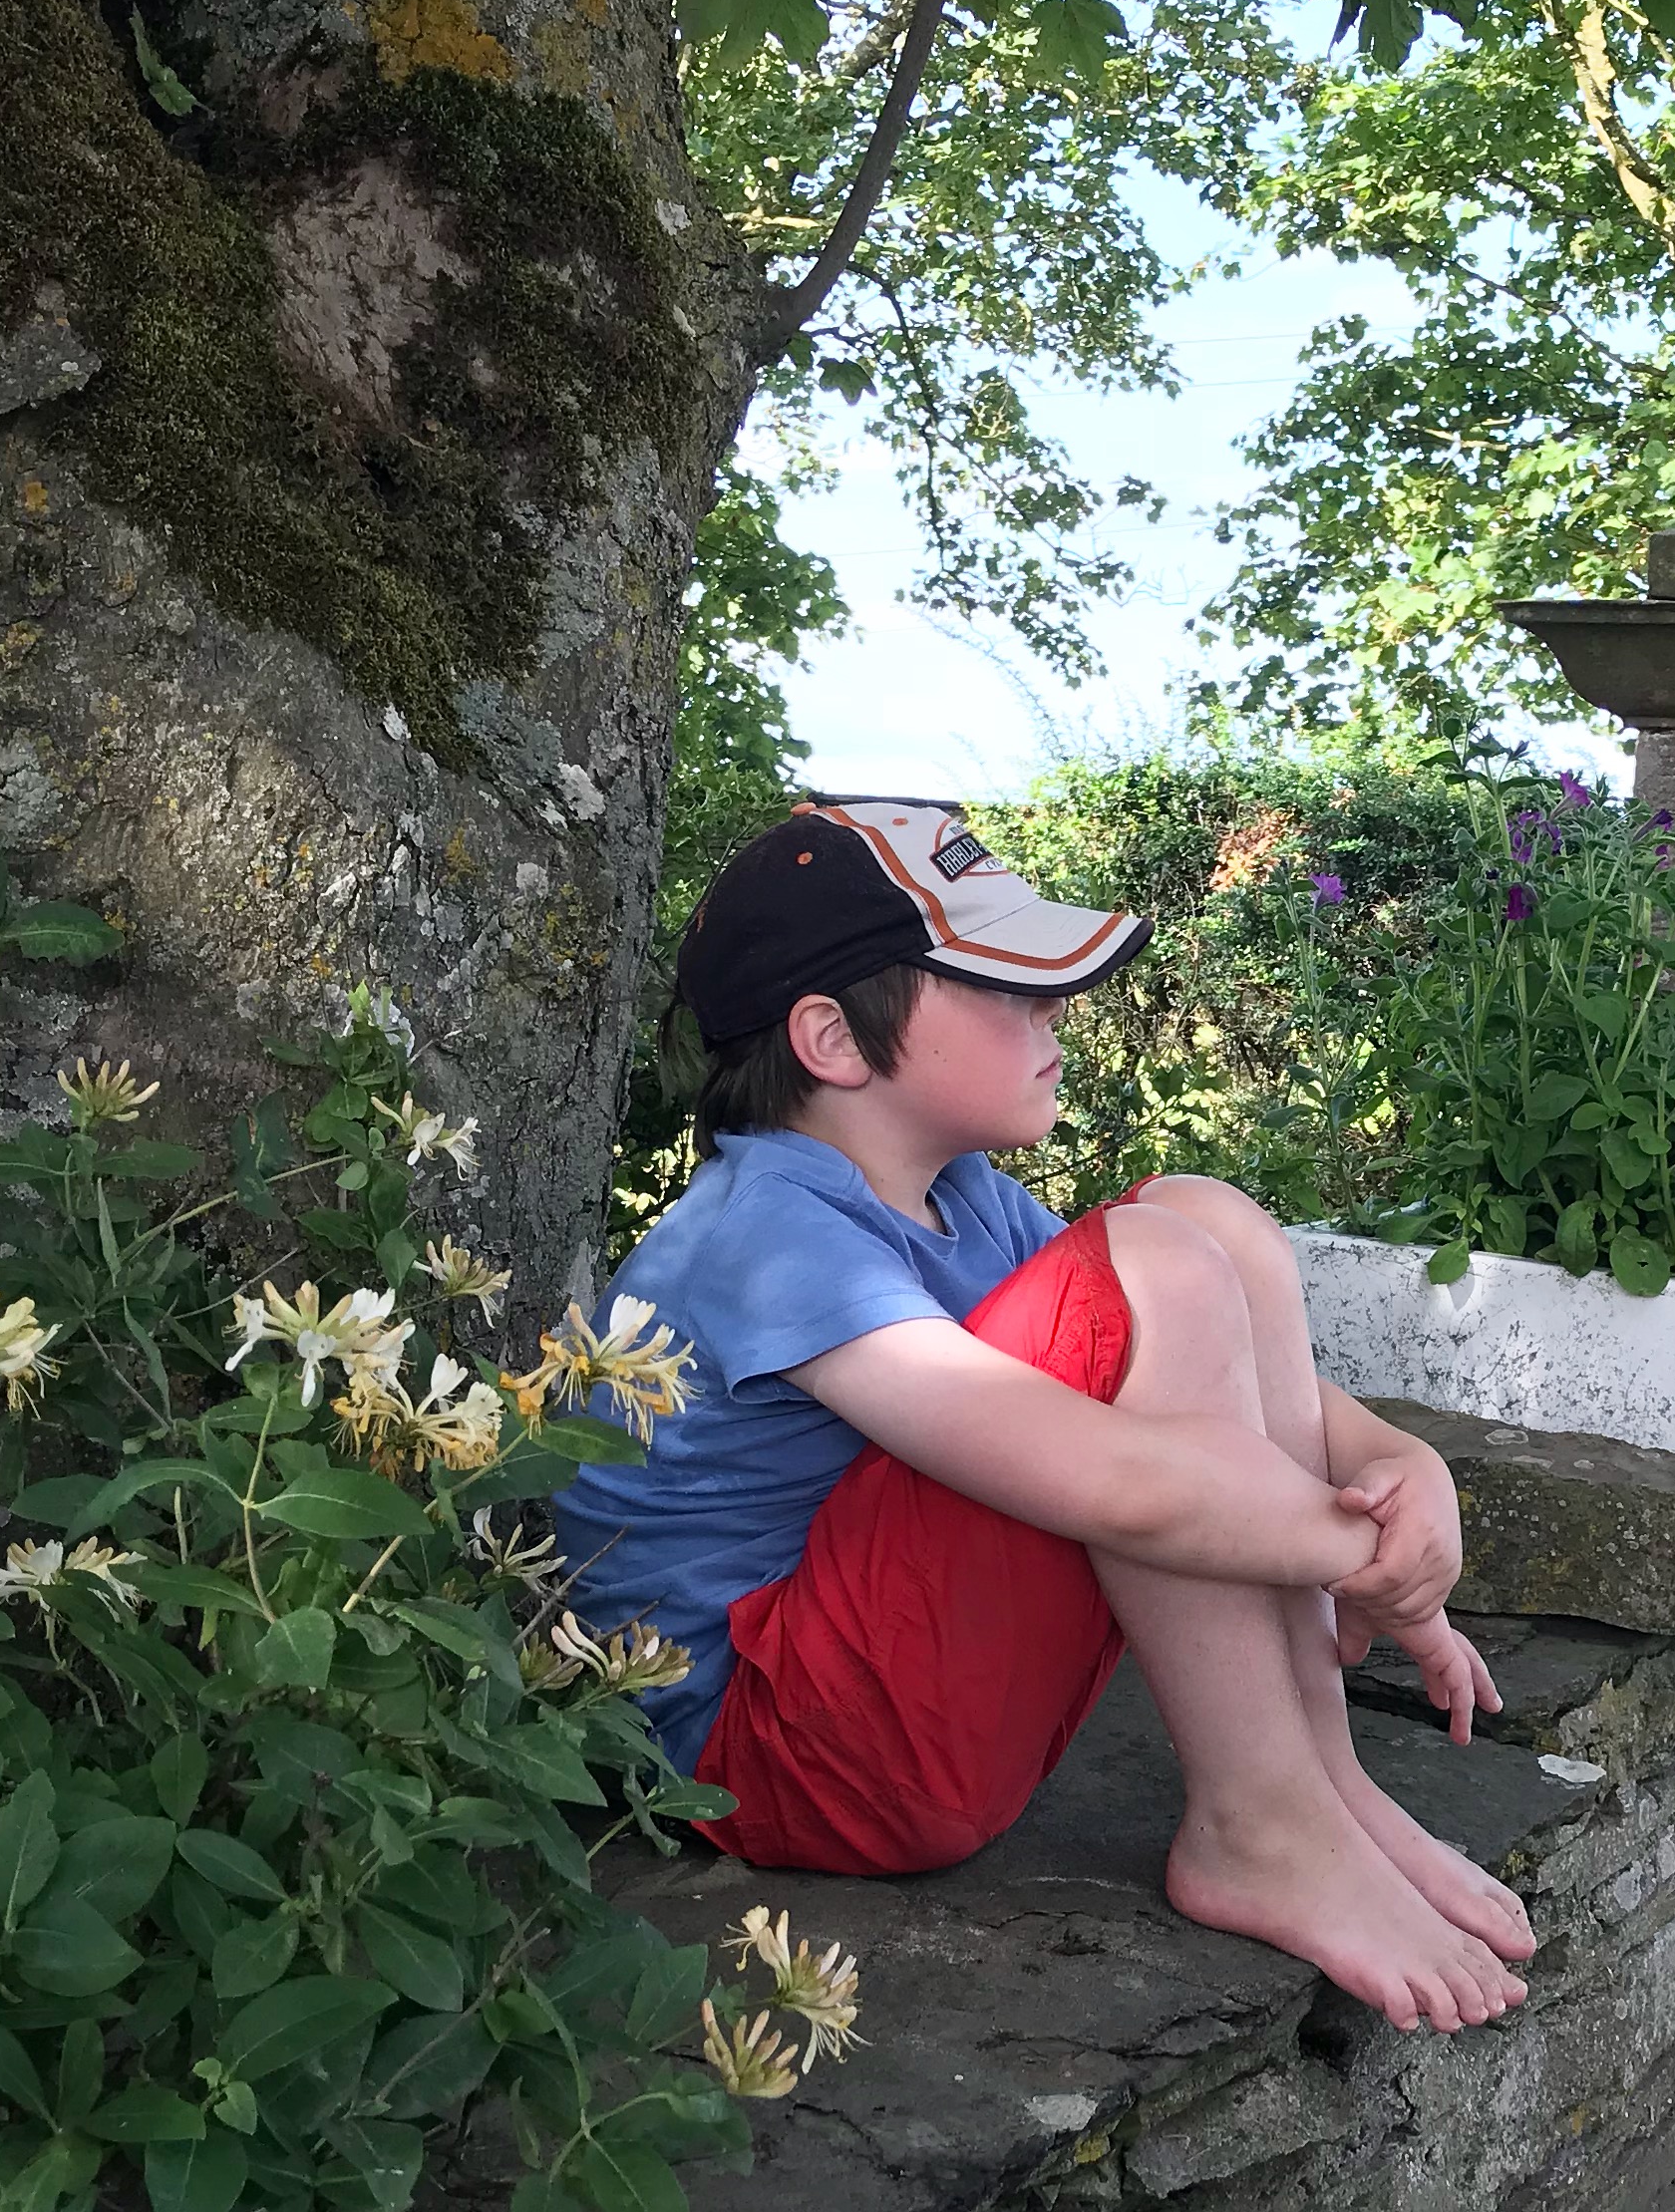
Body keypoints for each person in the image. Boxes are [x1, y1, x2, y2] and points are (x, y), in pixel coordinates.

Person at [552, 796, 1532, 2035]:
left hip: (860, 1689)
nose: (1054, 1013)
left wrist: (1402, 1471)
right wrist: (1370, 1562)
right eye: (1004, 989)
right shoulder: (765, 1237)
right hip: (761, 1762)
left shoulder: (964, 1200)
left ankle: (1318, 1787)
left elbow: (1207, 1378)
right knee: (1160, 1260)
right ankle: (1258, 1825)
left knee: (1202, 1218)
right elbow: (1124, 1485)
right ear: (832, 1040)